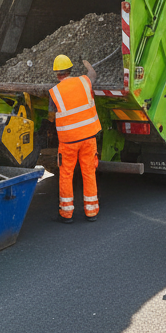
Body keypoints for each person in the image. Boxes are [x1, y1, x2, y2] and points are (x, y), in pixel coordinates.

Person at [48, 54, 99, 223]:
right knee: (89, 172)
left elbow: (51, 117)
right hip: (88, 138)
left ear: (57, 74)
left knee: (66, 174)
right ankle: (91, 212)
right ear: (71, 70)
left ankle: (66, 214)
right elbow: (93, 75)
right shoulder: (84, 81)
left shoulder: (54, 92)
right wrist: (88, 65)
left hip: (68, 142)